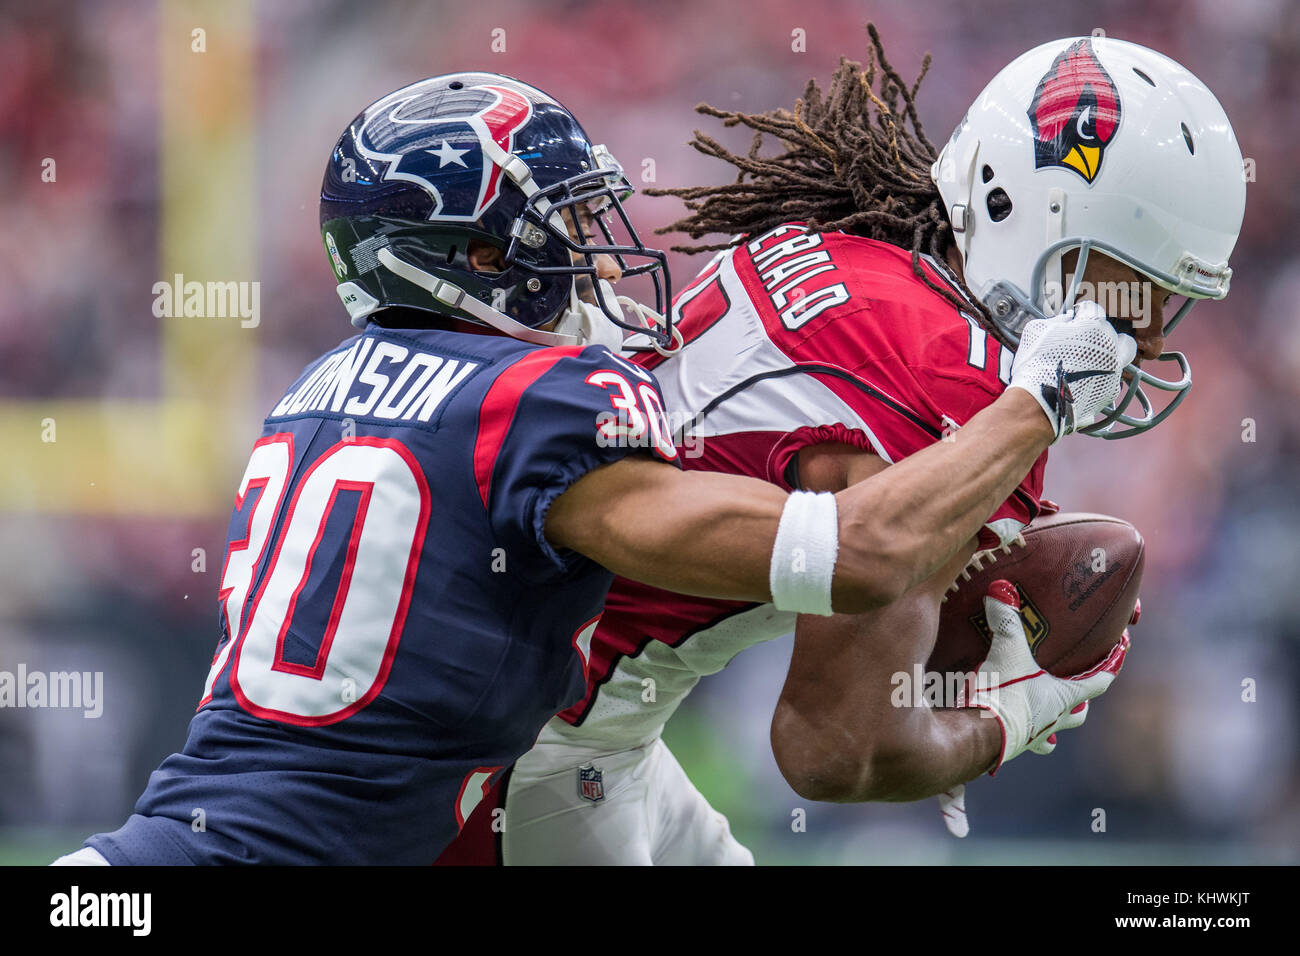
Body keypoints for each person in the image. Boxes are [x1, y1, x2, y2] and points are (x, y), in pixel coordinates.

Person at [54, 70, 1131, 865]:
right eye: (561, 224)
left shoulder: (319, 386)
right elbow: (853, 555)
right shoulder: (536, 402)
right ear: (476, 258)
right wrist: (1032, 400)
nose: (596, 253)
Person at [441, 30, 1246, 864]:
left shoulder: (859, 244)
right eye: (1136, 287)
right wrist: (1015, 715)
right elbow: (835, 751)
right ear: (1034, 223)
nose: (1147, 340)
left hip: (554, 696)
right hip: (547, 741)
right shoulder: (957, 393)